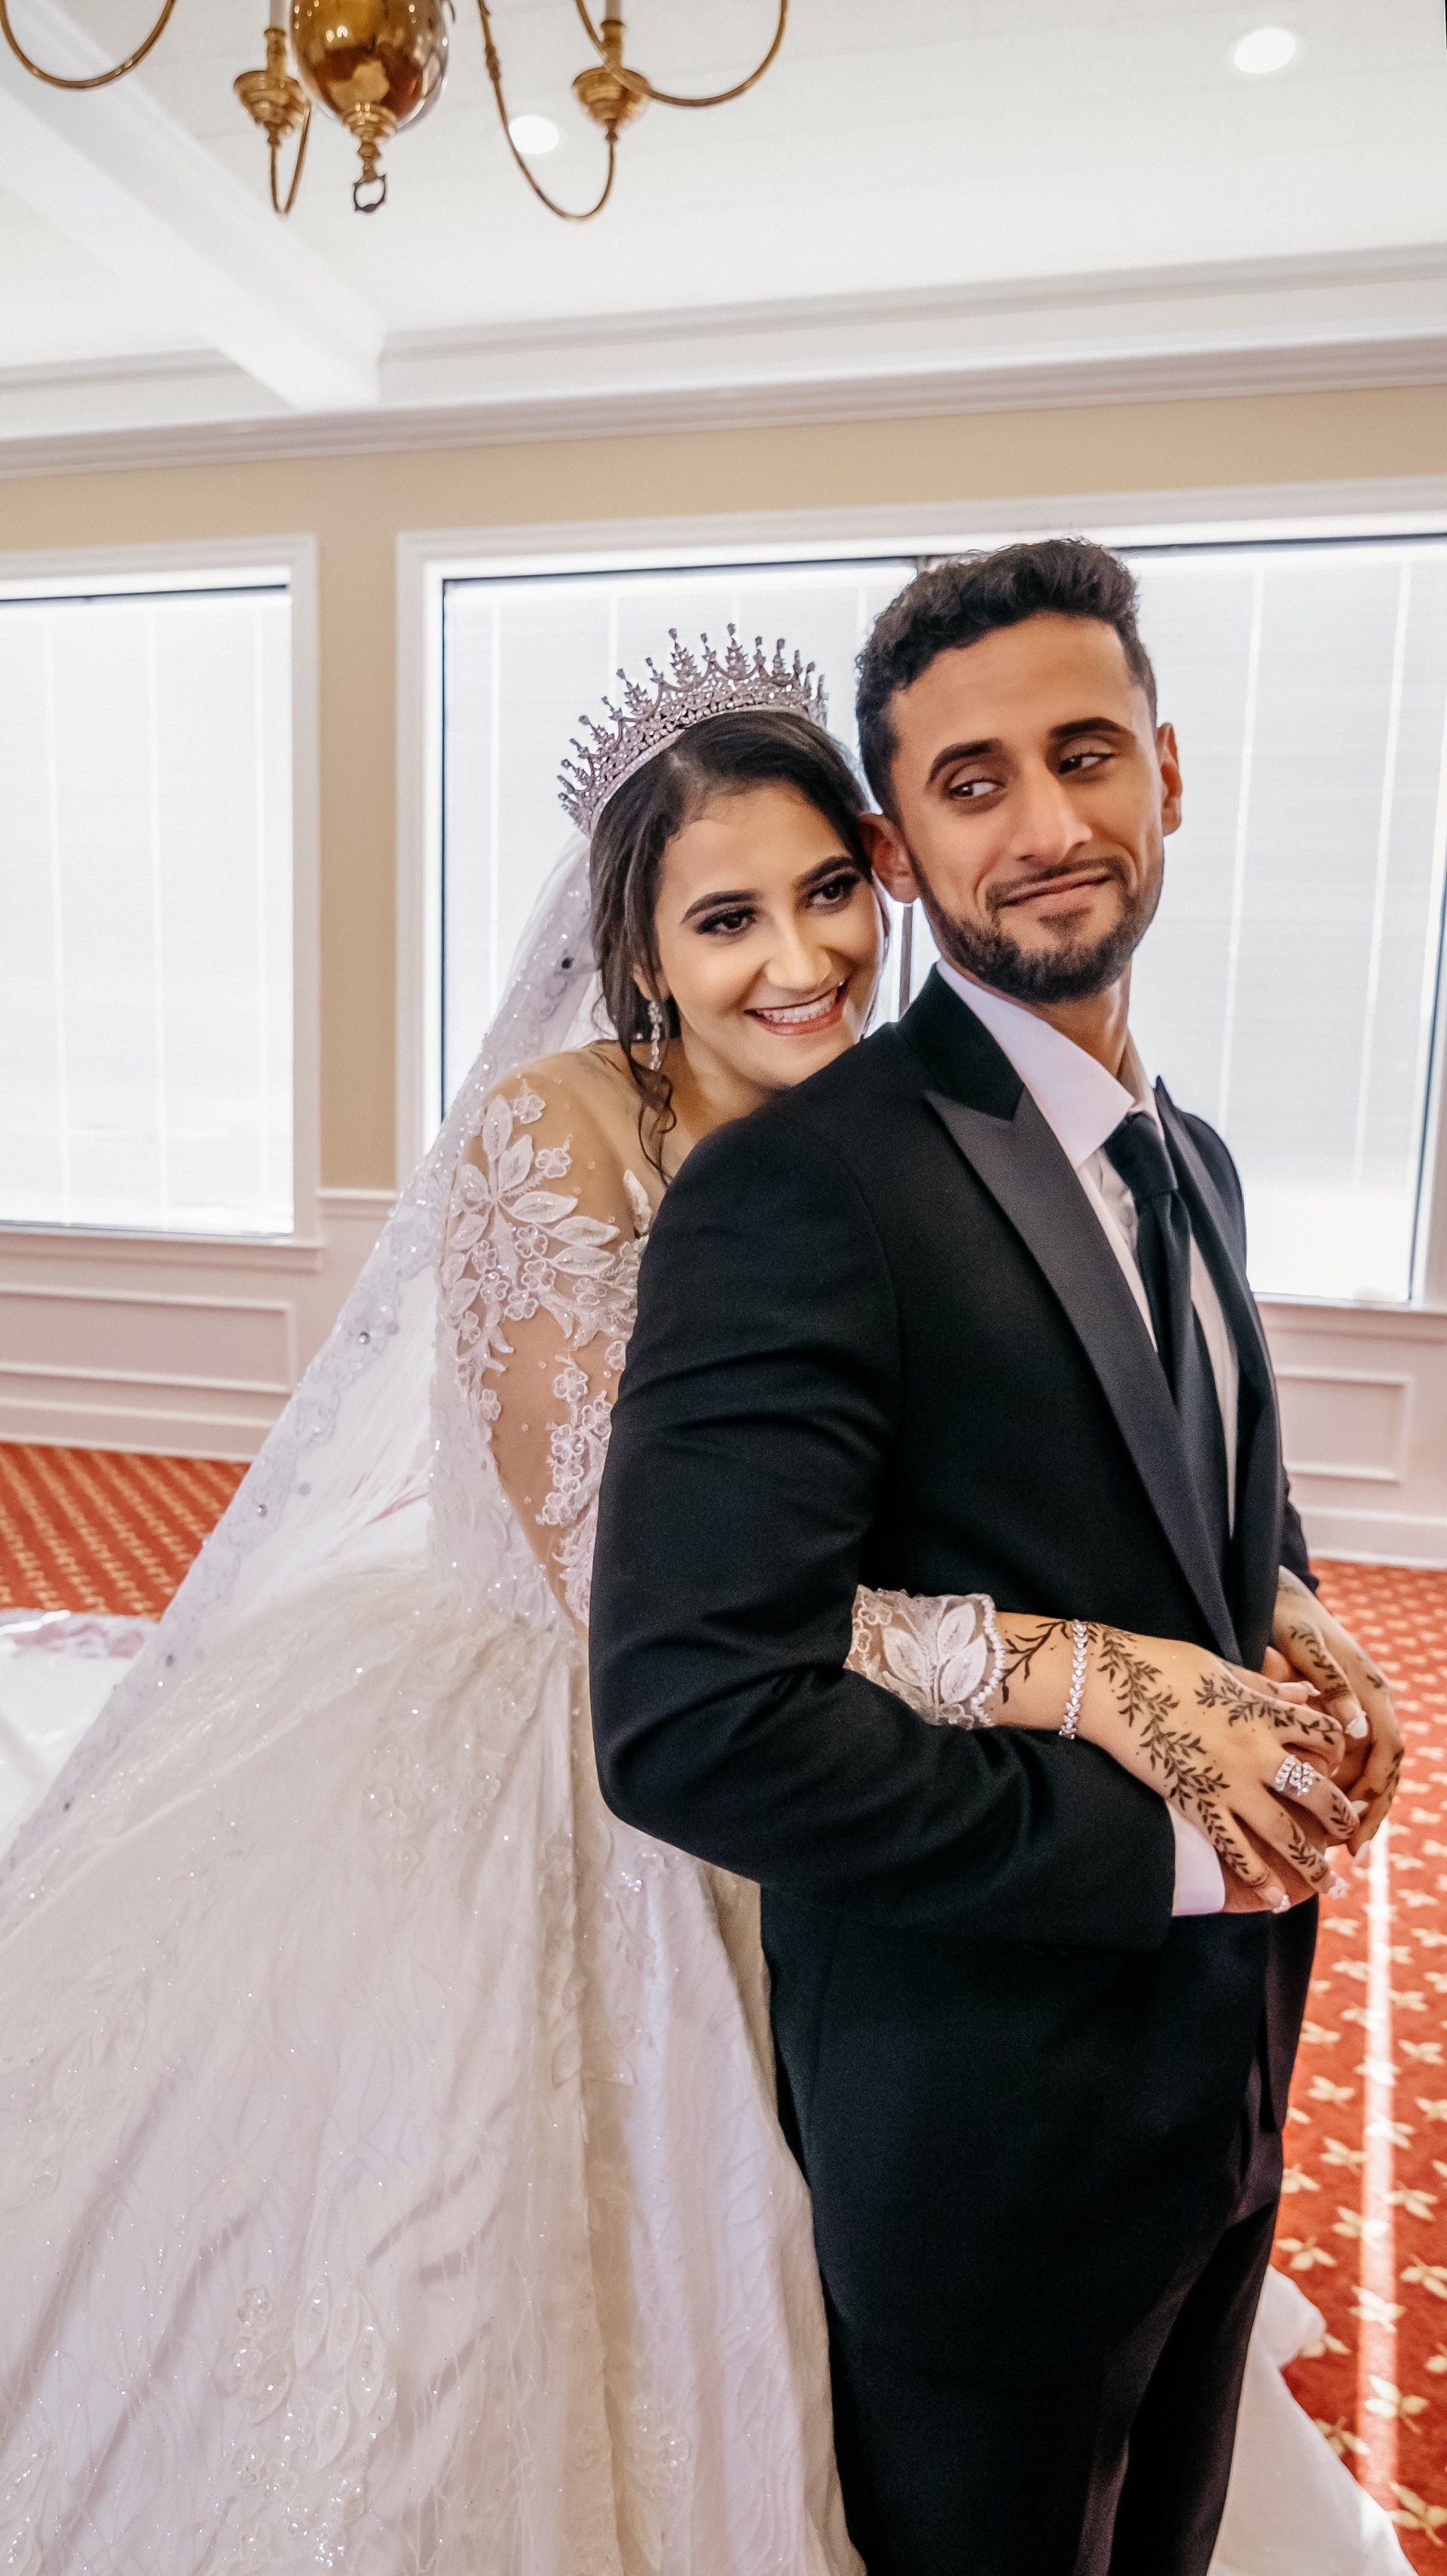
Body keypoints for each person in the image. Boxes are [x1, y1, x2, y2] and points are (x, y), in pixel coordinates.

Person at [0, 627, 1402, 2576]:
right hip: (570, 1748)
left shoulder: (940, 1118)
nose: (800, 959)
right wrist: (1080, 1671)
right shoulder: (557, 1134)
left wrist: (1271, 1591)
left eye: (827, 892)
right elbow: (626, 1594)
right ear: (644, 954)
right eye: (727, 919)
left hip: (894, 1801)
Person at [589, 549, 1407, 2576]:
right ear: (901, 842)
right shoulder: (795, 1190)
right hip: (986, 2144)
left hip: (1226, 2092)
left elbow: (1176, 1477)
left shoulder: (1195, 1158)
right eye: (973, 783)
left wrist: (1295, 1603)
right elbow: (694, 1720)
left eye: (1085, 753)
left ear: (1168, 774)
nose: (1045, 824)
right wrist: (1165, 1847)